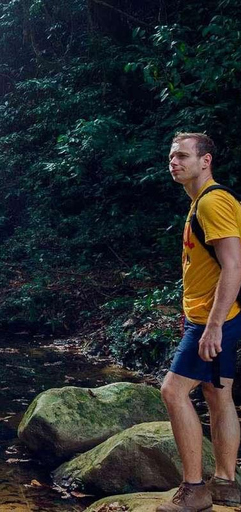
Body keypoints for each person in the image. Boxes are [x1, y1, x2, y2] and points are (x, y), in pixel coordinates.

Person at [158, 132, 241, 512]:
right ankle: (225, 482)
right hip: (209, 317)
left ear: (205, 161)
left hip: (218, 319)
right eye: (172, 156)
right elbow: (202, 267)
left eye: (183, 156)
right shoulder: (199, 204)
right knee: (217, 394)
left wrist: (213, 325)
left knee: (173, 393)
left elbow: (233, 266)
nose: (174, 162)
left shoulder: (213, 203)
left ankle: (194, 490)